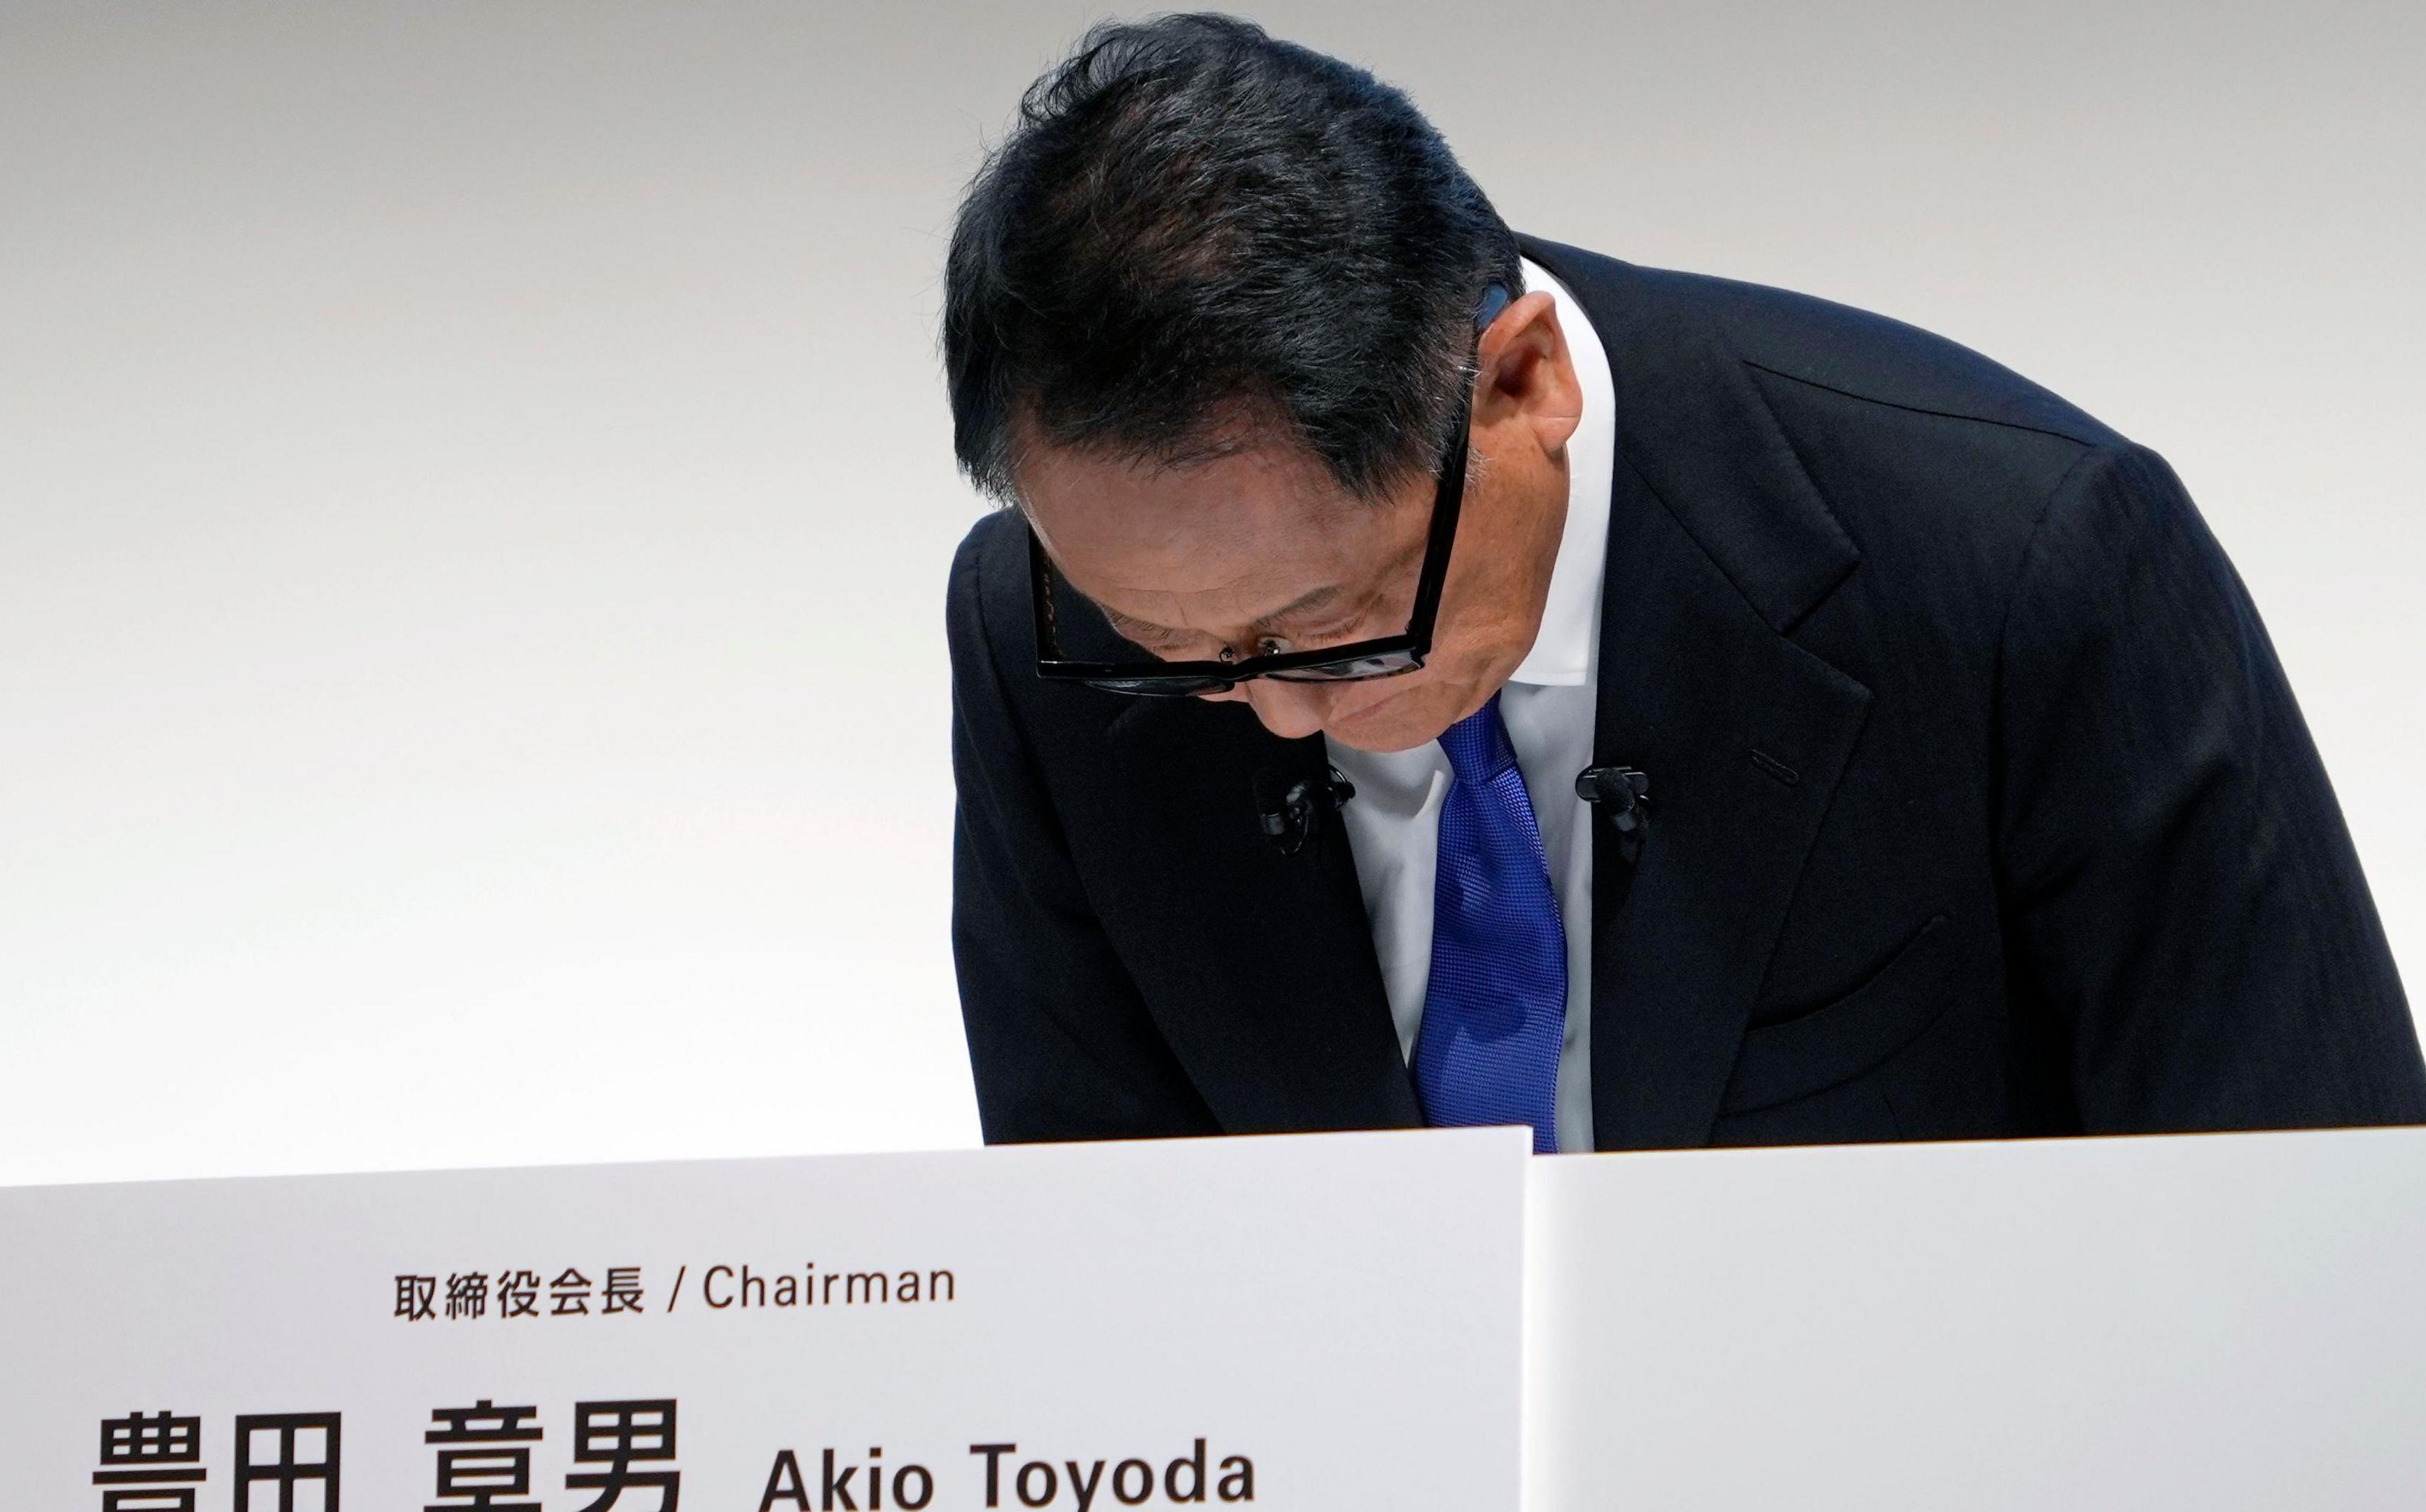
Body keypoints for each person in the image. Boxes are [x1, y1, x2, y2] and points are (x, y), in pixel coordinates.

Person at [938, 14, 2426, 1150]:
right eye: (1175, 645)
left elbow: (2314, 1243)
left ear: (1520, 383)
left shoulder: (2029, 567)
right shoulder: (1036, 636)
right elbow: (1110, 1279)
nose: (1269, 713)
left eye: (1337, 626)